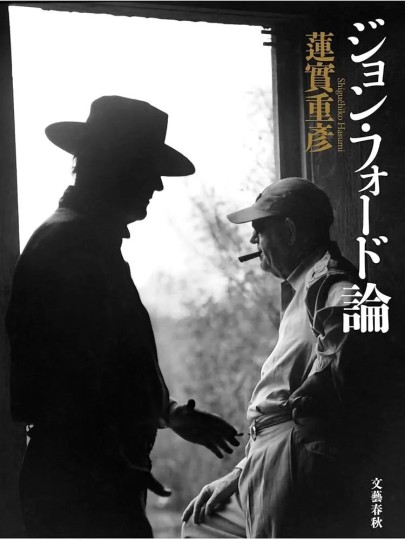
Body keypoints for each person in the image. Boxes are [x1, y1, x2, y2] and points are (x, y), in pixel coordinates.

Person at [6, 96, 240, 538]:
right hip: (85, 485)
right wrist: (110, 462)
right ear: (115, 166)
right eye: (147, 168)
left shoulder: (80, 240)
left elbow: (103, 364)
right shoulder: (73, 245)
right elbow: (70, 380)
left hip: (87, 478)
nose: (157, 185)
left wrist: (168, 412)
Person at [182, 177, 374, 538]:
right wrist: (241, 471)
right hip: (267, 453)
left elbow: (346, 376)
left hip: (292, 451)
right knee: (202, 524)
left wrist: (296, 440)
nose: (253, 242)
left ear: (289, 231)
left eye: (259, 230)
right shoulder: (303, 288)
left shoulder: (334, 286)